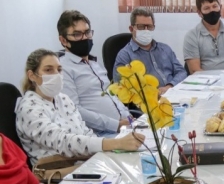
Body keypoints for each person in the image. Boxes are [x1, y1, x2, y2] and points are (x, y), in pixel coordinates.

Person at [16, 49, 145, 166]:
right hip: (60, 171)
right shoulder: (29, 108)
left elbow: (85, 131)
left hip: (86, 160)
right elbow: (64, 141)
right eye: (48, 70)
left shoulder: (62, 98)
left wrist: (109, 149)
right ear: (32, 75)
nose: (56, 74)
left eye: (59, 70)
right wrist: (116, 144)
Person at [57, 10, 131, 137]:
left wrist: (128, 118)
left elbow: (111, 97)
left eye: (87, 32)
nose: (84, 38)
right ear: (63, 40)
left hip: (125, 126)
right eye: (77, 34)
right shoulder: (63, 69)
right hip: (100, 135)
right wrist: (116, 125)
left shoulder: (93, 64)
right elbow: (74, 111)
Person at [114, 8, 187, 94]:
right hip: (149, 103)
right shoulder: (125, 55)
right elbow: (120, 87)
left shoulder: (165, 49)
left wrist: (170, 86)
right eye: (141, 27)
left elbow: (181, 72)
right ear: (131, 29)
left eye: (149, 27)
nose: (146, 30)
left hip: (174, 94)